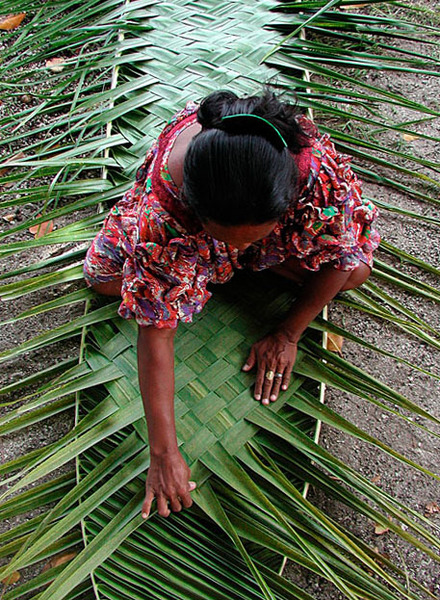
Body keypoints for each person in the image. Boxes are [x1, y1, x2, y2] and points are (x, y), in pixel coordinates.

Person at [83, 89, 380, 519]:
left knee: (353, 274)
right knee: (104, 278)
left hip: (260, 228)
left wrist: (287, 332)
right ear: (195, 211)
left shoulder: (311, 170)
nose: (236, 247)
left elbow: (344, 253)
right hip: (192, 235)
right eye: (226, 239)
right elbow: (156, 329)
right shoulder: (166, 210)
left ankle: (232, 260)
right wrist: (164, 454)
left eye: (253, 237)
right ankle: (215, 263)